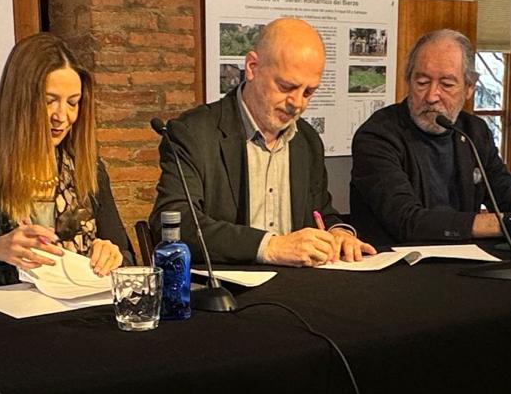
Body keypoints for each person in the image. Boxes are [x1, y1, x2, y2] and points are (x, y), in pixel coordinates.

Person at [150, 18, 374, 266]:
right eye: (286, 86)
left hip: (299, 288)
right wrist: (270, 246)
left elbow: (321, 211)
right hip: (226, 292)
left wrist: (338, 233)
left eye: (308, 92)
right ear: (252, 67)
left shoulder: (307, 141)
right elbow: (173, 222)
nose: (297, 103)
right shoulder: (194, 133)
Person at [0, 33, 131, 290]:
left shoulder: (88, 168)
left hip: (80, 314)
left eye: (73, 103)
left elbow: (128, 258)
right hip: (7, 322)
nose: (62, 116)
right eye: (49, 102)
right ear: (20, 102)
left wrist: (114, 256)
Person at [350, 29, 511, 247]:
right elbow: (407, 221)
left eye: (446, 84)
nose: (432, 96)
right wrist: (510, 222)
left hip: (464, 263)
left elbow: (506, 197)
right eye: (421, 83)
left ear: (470, 87)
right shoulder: (377, 136)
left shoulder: (473, 131)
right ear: (408, 80)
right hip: (397, 270)